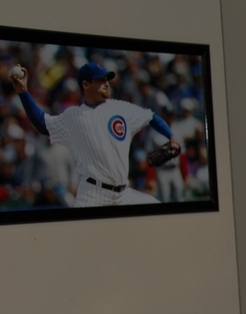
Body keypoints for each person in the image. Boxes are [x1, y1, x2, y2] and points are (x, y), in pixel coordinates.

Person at [9, 62, 179, 207]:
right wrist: (23, 92)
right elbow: (41, 122)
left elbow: (152, 117)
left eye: (107, 79)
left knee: (156, 211)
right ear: (86, 84)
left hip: (123, 194)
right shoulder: (73, 116)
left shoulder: (121, 108)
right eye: (100, 80)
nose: (106, 83)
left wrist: (171, 137)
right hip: (93, 194)